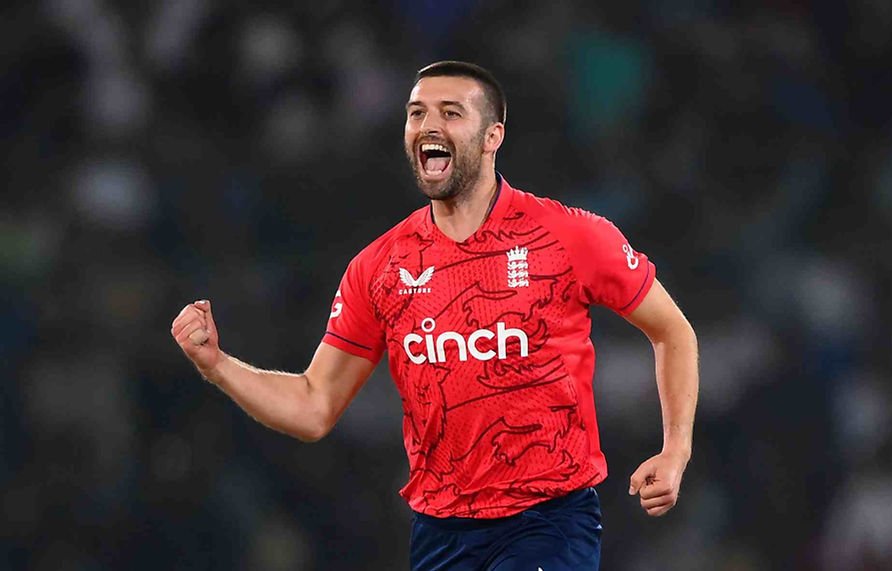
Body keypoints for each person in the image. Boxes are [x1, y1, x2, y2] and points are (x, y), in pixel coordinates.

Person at [171, 61, 699, 570]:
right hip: (440, 531)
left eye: (450, 112)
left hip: (550, 520)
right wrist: (216, 364)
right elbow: (314, 406)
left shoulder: (567, 236)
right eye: (416, 112)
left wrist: (675, 450)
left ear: (492, 136)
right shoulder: (378, 267)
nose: (428, 125)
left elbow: (672, 330)